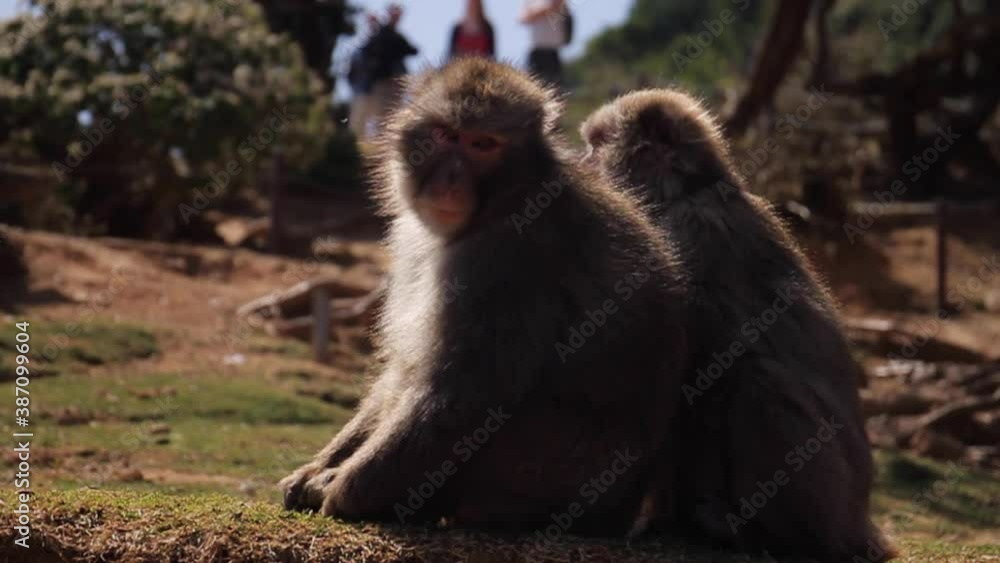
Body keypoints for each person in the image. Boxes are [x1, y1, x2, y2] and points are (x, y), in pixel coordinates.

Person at [349, 4, 418, 140]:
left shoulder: (394, 37)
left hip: (391, 84)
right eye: (393, 13)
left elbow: (413, 50)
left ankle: (380, 148)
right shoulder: (378, 37)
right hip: (376, 84)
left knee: (388, 119)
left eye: (397, 14)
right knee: (370, 117)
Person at [520, 0, 569, 87]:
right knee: (533, 86)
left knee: (555, 88)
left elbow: (561, 8)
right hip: (536, 51)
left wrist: (538, 12)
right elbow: (523, 18)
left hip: (553, 52)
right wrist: (546, 9)